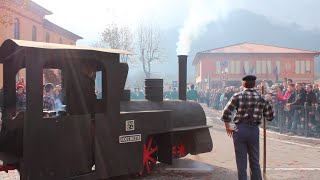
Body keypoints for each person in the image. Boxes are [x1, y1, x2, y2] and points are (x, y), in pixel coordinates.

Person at [221, 75, 274, 180]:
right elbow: (270, 117)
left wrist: (227, 127)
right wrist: (269, 101)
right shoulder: (261, 97)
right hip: (253, 131)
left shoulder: (237, 96)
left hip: (239, 130)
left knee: (241, 163)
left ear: (243, 84)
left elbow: (226, 113)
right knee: (254, 161)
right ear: (254, 85)